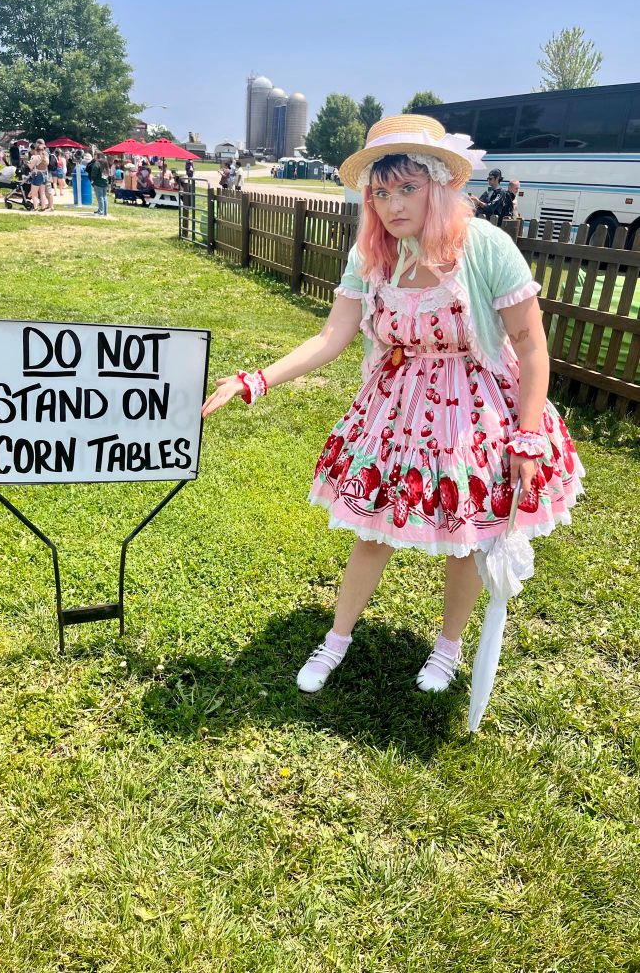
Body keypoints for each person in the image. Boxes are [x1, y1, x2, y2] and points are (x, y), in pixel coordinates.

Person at [201, 113, 584, 699]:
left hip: (477, 408)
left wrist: (528, 435)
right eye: (381, 192)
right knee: (373, 531)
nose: (392, 205)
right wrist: (257, 379)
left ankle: (449, 648)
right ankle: (336, 639)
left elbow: (531, 344)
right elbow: (332, 337)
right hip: (398, 407)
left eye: (407, 188)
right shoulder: (373, 256)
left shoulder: (484, 247)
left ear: (441, 185)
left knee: (468, 535)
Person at [27, 140, 50, 211]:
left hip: (37, 175)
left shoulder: (36, 157)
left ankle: (36, 207)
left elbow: (31, 166)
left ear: (36, 150)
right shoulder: (46, 158)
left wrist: (27, 162)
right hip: (44, 175)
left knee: (34, 193)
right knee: (42, 193)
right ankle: (43, 208)